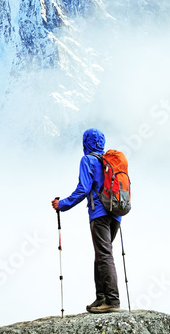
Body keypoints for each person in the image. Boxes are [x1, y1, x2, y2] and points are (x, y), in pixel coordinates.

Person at [51, 128, 121, 313]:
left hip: (99, 214)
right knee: (101, 254)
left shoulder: (88, 160)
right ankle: (101, 297)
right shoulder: (109, 161)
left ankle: (112, 301)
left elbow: (83, 189)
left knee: (104, 255)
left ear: (86, 143)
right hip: (116, 215)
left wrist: (62, 204)